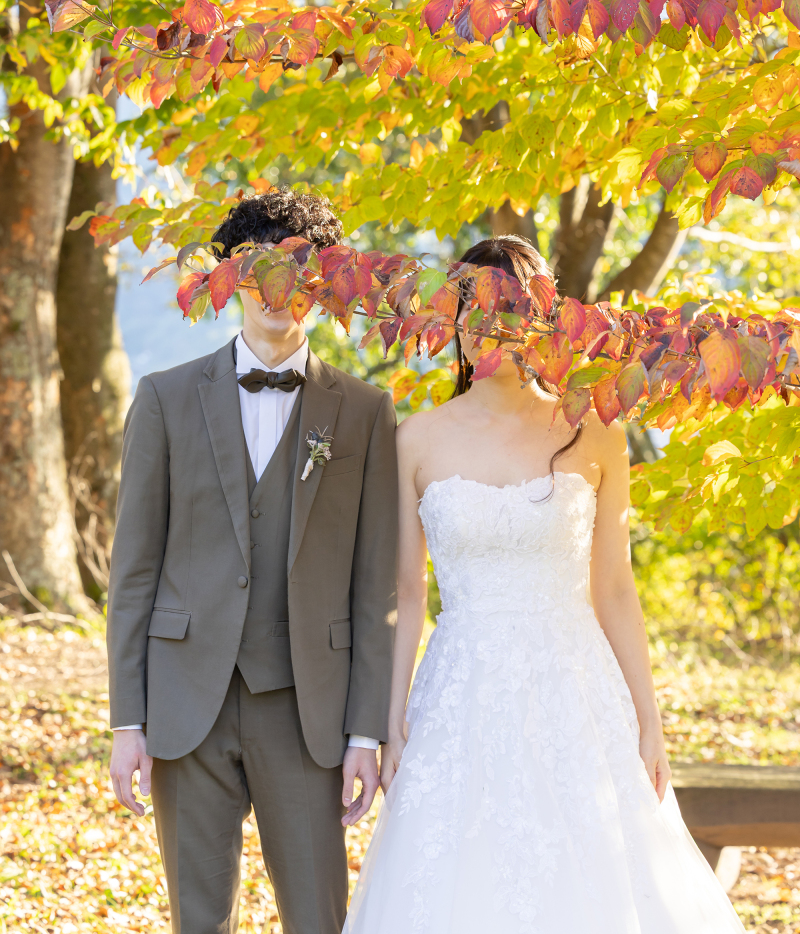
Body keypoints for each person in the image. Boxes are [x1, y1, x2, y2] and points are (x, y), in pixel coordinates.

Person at [344, 234, 746, 934]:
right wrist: (391, 723)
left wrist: (649, 723)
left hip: (576, 692)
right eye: (474, 307)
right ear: (453, 318)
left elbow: (615, 589)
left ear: (542, 321)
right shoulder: (414, 440)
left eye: (512, 310)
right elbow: (406, 597)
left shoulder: (593, 433)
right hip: (457, 697)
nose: (492, 326)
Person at [107, 187, 398, 934]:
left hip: (307, 708)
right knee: (197, 921)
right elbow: (133, 573)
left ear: (324, 284)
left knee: (316, 918)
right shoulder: (166, 399)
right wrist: (126, 722)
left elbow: (376, 589)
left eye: (301, 274)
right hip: (184, 706)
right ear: (229, 279)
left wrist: (365, 732)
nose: (280, 293)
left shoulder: (364, 411)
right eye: (260, 272)